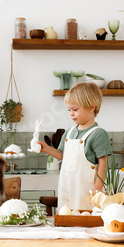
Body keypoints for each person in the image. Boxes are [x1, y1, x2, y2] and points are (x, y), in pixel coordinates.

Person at [38, 82, 111, 211]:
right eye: (69, 110)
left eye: (75, 109)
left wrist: (97, 189)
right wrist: (46, 149)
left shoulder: (98, 134)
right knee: (66, 219)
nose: (71, 114)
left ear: (91, 107)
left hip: (86, 192)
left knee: (83, 220)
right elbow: (62, 155)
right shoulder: (69, 132)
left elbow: (103, 163)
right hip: (66, 189)